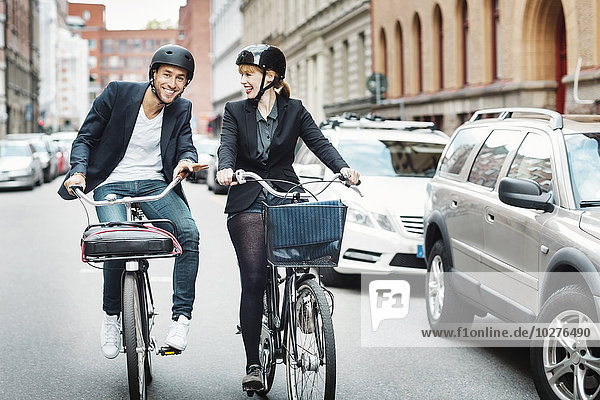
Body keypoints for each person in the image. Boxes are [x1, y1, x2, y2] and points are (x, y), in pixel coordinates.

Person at [216, 44, 360, 391]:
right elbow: (227, 146)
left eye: (248, 75)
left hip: (284, 191)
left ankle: (305, 301)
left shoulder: (294, 110)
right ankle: (253, 362)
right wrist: (226, 169)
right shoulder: (235, 111)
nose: (244, 82)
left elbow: (319, 142)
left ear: (270, 76)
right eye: (242, 76)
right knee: (254, 277)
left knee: (305, 255)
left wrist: (343, 168)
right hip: (247, 196)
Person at [58, 44, 205, 359]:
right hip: (111, 181)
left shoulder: (182, 108)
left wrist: (185, 162)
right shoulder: (118, 94)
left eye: (181, 78)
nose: (173, 83)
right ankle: (112, 315)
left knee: (188, 233)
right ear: (153, 74)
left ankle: (181, 318)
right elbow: (85, 138)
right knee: (115, 239)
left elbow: (186, 146)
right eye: (167, 75)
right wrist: (79, 173)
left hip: (154, 182)